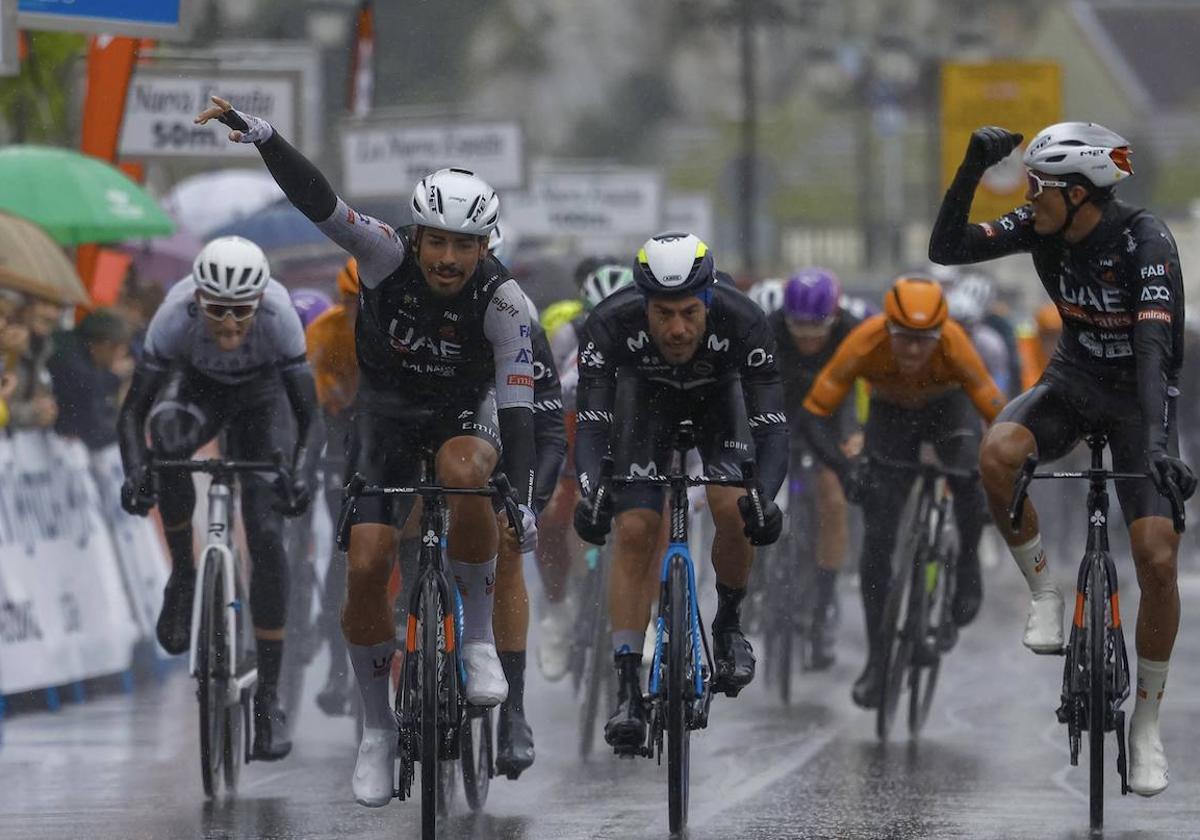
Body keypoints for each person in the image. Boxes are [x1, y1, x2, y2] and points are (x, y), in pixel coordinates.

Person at [194, 95, 538, 807]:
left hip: (461, 422)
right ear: (415, 236)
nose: (447, 259)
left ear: (487, 247)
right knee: (370, 562)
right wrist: (265, 138)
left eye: (464, 246)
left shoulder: (507, 305)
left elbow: (517, 409)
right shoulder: (382, 254)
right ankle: (377, 728)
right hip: (383, 422)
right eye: (436, 241)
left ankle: (476, 639)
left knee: (467, 471)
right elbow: (320, 202)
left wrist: (526, 500)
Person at [930, 122, 1197, 796]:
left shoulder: (1147, 244)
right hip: (1072, 384)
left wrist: (1160, 448)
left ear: (1080, 194)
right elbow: (948, 246)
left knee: (1158, 558)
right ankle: (1047, 590)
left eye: (1039, 186)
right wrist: (970, 167)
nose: (1029, 195)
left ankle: (1145, 725)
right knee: (998, 452)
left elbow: (1154, 356)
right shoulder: (1043, 225)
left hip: (1140, 399)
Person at [572, 232, 787, 752]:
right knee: (635, 528)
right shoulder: (608, 322)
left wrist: (766, 495)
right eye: (663, 314)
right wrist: (592, 490)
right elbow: (593, 424)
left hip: (720, 402)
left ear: (710, 300)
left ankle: (729, 625)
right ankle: (626, 685)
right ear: (643, 304)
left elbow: (772, 424)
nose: (676, 329)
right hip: (643, 405)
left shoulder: (745, 320)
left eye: (690, 312)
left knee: (733, 507)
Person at [117, 235, 317, 762]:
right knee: (169, 445)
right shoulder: (172, 317)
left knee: (268, 530)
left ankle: (268, 700)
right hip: (196, 391)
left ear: (259, 303)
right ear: (197, 300)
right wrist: (138, 473)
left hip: (261, 401)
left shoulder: (279, 317)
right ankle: (184, 577)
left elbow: (307, 417)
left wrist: (299, 474)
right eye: (217, 310)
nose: (229, 323)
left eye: (240, 311)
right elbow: (133, 411)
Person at [799, 275, 1005, 709]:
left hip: (949, 411)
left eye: (923, 340)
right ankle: (877, 663)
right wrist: (845, 466)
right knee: (878, 538)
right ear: (887, 328)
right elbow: (815, 413)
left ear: (940, 333)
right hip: (891, 416)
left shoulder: (955, 346)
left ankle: (967, 568)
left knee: (968, 483)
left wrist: (996, 471)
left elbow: (998, 415)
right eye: (903, 340)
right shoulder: (864, 341)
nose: (912, 351)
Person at [534, 261, 634, 682]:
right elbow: (550, 398)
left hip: (631, 434)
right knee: (555, 516)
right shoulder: (567, 334)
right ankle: (558, 612)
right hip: (579, 431)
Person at [768, 268, 862, 670]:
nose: (806, 338)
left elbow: (868, 389)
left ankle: (823, 605)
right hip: (781, 413)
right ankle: (759, 580)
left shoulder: (852, 333)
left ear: (834, 317)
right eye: (798, 328)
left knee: (832, 499)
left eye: (816, 329)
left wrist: (859, 433)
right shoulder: (769, 331)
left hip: (831, 418)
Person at [305, 258, 362, 717]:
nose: (355, 310)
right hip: (343, 426)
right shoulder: (325, 332)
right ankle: (337, 669)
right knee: (343, 553)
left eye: (364, 302)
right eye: (348, 302)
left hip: (393, 423)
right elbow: (313, 411)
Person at [47, 308, 132, 451]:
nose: (121, 356)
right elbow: (86, 394)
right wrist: (114, 377)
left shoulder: (90, 363)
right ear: (103, 345)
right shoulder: (70, 358)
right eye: (118, 348)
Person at [945, 271, 1014, 395]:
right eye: (954, 325)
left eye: (965, 327)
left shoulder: (990, 343)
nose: (959, 332)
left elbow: (1000, 379)